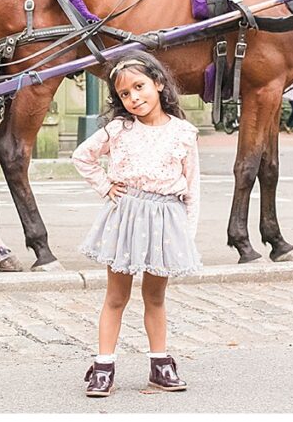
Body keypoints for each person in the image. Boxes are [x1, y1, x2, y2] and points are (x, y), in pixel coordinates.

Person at [72, 51, 201, 397]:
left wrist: (186, 236)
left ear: (159, 84)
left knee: (155, 298)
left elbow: (192, 188)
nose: (134, 98)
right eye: (125, 94)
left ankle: (160, 366)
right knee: (116, 297)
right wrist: (104, 185)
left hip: (165, 221)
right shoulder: (119, 129)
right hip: (126, 218)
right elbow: (82, 156)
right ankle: (103, 366)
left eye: (140, 87)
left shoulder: (184, 134)